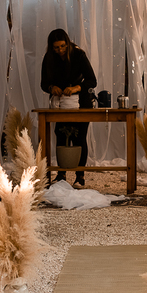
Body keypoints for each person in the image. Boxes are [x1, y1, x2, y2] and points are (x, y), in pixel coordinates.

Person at [40, 29, 97, 185]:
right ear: (51, 47)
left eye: (63, 46)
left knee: (79, 138)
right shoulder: (49, 58)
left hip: (82, 102)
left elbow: (92, 80)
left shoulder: (78, 55)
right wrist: (52, 88)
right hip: (61, 104)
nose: (60, 50)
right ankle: (61, 174)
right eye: (57, 48)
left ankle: (80, 176)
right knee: (61, 136)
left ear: (68, 43)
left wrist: (77, 87)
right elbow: (43, 83)